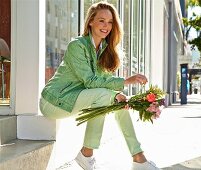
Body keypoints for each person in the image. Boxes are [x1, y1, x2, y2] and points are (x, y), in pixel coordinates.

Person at [39, 1, 160, 170]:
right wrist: (125, 82)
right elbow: (91, 82)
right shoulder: (77, 46)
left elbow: (105, 87)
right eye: (101, 20)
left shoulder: (105, 50)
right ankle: (86, 154)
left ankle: (138, 157)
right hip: (54, 101)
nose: (106, 26)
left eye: (110, 22)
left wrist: (124, 99)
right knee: (105, 96)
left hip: (76, 99)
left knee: (118, 103)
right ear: (91, 21)